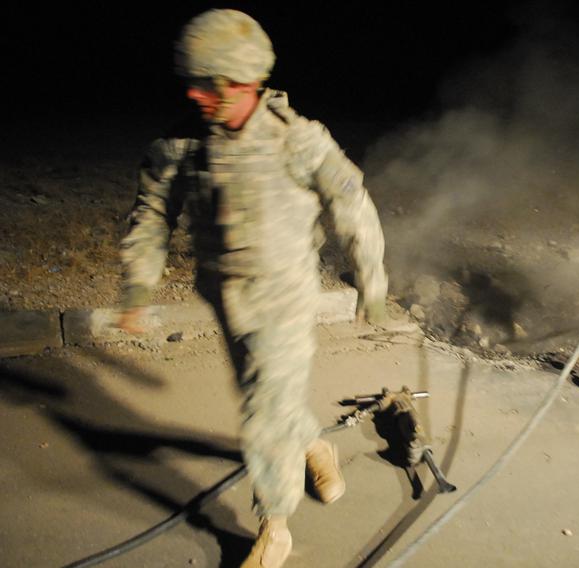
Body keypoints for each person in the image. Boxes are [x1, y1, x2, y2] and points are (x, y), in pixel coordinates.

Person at [116, 9, 388, 567]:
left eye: (204, 84)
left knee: (264, 411)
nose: (193, 95)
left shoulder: (299, 142)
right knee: (266, 396)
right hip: (224, 295)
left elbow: (353, 207)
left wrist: (371, 280)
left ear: (239, 82)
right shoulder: (182, 146)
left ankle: (275, 526)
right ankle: (314, 443)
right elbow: (151, 214)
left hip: (285, 297)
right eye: (189, 83)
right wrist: (138, 286)